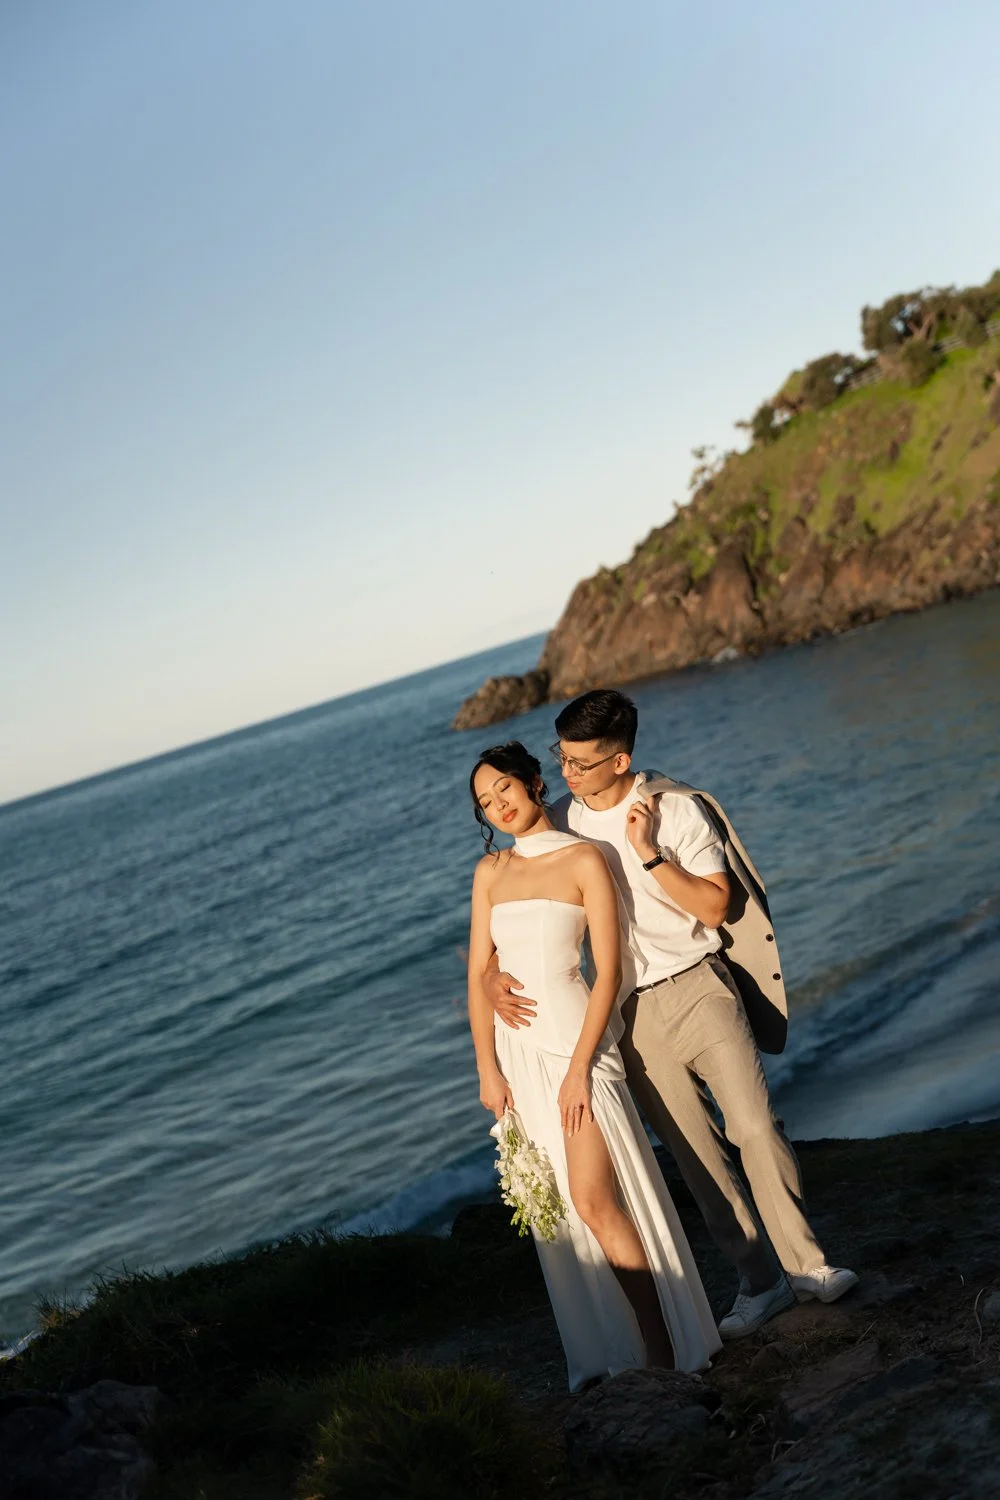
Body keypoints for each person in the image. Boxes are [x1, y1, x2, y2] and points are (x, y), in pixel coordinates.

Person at [486, 690, 858, 1339]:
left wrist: (651, 852)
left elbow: (716, 908)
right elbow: (512, 904)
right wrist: (490, 975)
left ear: (621, 758)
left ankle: (808, 1266)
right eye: (561, 759)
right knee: (697, 1157)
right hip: (626, 1015)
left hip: (698, 986)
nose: (566, 775)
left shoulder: (676, 809)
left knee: (753, 1127)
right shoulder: (562, 827)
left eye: (580, 763)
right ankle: (759, 1282)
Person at [467, 741, 722, 1391]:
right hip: (518, 1059)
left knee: (592, 1200)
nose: (499, 806)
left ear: (534, 783)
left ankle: (663, 1349)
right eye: (485, 802)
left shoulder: (586, 858)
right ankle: (609, 1348)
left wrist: (580, 1066)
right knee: (557, 1212)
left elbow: (606, 971)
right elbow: (476, 976)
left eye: (506, 790)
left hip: (577, 1044)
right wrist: (487, 1071)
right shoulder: (490, 872)